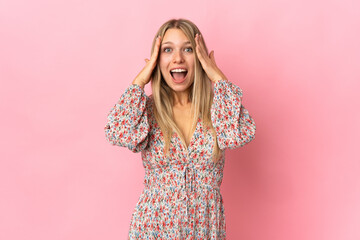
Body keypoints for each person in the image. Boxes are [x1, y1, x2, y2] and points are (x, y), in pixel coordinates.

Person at [104, 18, 256, 239]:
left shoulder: (217, 110)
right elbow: (117, 131)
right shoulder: (145, 110)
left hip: (204, 230)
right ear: (156, 59)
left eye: (188, 49)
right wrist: (142, 78)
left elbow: (239, 134)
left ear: (200, 57)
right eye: (167, 50)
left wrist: (217, 76)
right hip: (153, 230)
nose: (178, 58)